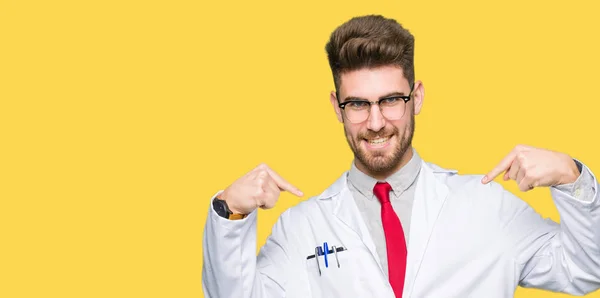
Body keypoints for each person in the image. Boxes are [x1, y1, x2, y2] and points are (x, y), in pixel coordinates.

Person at [201, 14, 600, 298]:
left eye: (391, 99)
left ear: (417, 97)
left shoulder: (488, 207)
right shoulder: (303, 228)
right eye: (357, 104)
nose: (375, 122)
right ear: (337, 107)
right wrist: (229, 211)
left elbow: (586, 270)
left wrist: (572, 177)